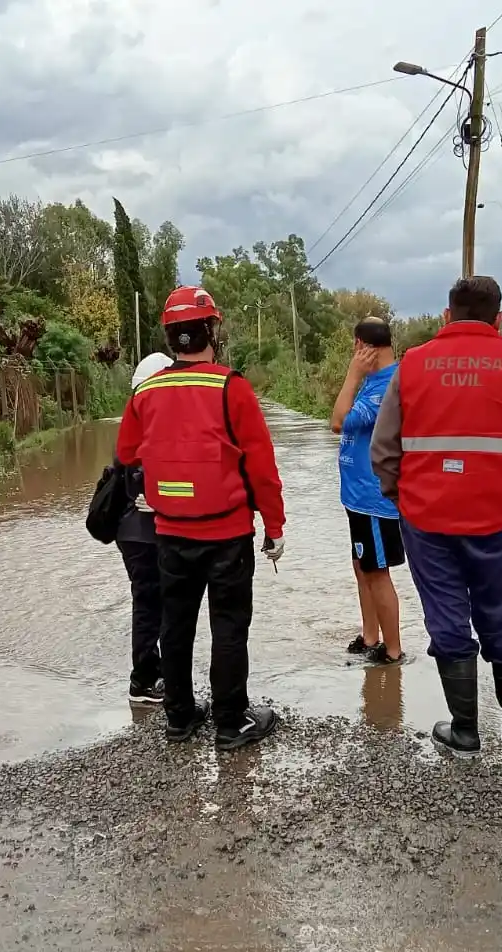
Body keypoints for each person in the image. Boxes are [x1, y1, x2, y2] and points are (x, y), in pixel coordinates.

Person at [370, 276, 502, 758]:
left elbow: (383, 449)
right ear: (499, 319)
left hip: (427, 522)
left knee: (447, 618)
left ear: (446, 316)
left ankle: (466, 732)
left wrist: (404, 501)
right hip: (499, 518)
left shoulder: (411, 365)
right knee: (498, 614)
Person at [116, 286, 287, 751]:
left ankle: (179, 716)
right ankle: (232, 723)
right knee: (228, 627)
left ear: (171, 336)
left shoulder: (146, 390)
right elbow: (261, 467)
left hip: (169, 534)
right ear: (213, 329)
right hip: (228, 534)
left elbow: (127, 452)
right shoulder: (232, 386)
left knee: (176, 625)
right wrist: (274, 527)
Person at [330, 317, 405, 664]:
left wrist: (351, 375)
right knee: (363, 565)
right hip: (357, 495)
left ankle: (392, 651)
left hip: (374, 497)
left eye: (354, 347)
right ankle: (370, 634)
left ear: (363, 346)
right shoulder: (375, 380)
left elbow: (338, 421)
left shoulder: (386, 386)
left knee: (376, 571)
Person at [114, 352, 174, 706]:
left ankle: (157, 672)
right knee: (152, 604)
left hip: (133, 533)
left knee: (153, 603)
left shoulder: (132, 419)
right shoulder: (148, 422)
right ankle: (145, 680)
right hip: (143, 534)